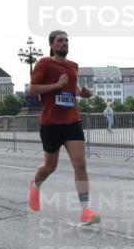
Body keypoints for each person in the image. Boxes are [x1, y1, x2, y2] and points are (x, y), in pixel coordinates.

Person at [27, 30, 100, 225]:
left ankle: (85, 211)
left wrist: (83, 93)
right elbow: (32, 89)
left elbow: (72, 88)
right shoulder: (44, 63)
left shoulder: (73, 66)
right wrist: (56, 84)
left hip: (72, 121)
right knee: (50, 167)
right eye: (60, 40)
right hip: (51, 123)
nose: (64, 43)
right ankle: (35, 184)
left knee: (80, 164)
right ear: (52, 45)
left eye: (66, 40)